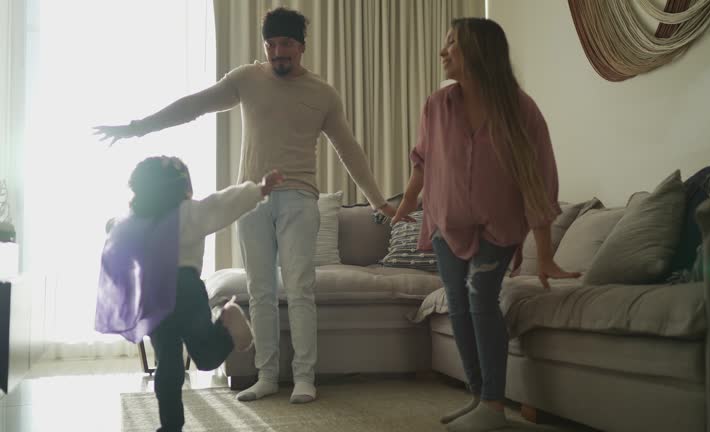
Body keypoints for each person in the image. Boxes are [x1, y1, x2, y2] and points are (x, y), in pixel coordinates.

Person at [93, 7, 398, 404]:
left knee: (300, 289)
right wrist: (138, 128)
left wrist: (378, 201)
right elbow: (194, 105)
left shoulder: (323, 93)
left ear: (301, 47)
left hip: (300, 199)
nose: (277, 52)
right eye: (270, 45)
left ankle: (305, 377)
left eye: (285, 44)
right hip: (253, 200)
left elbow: (350, 150)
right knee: (260, 290)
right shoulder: (246, 79)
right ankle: (267, 375)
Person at [391, 18, 581, 432]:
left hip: (498, 230)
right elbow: (421, 163)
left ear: (477, 51)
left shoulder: (520, 109)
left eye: (452, 44)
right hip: (445, 226)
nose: (444, 52)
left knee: (481, 300)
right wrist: (405, 203)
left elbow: (539, 184)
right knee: (457, 307)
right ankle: (479, 397)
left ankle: (493, 404)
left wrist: (545, 255)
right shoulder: (436, 106)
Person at [96, 155, 284, 432]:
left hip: (169, 293)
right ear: (183, 186)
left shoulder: (166, 216)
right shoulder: (167, 216)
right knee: (172, 366)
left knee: (183, 363)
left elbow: (220, 203)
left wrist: (257, 190)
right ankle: (171, 426)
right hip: (171, 293)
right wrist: (259, 189)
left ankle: (226, 321)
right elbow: (221, 204)